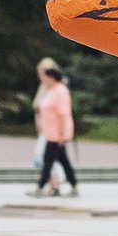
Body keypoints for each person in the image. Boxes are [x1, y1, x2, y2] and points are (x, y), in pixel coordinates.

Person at [32, 59, 77, 197]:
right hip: (50, 132)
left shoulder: (60, 91)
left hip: (56, 134)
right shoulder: (50, 90)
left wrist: (62, 134)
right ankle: (73, 185)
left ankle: (40, 187)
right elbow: (38, 106)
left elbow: (63, 114)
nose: (42, 79)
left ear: (51, 77)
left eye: (44, 76)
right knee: (63, 161)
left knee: (47, 161)